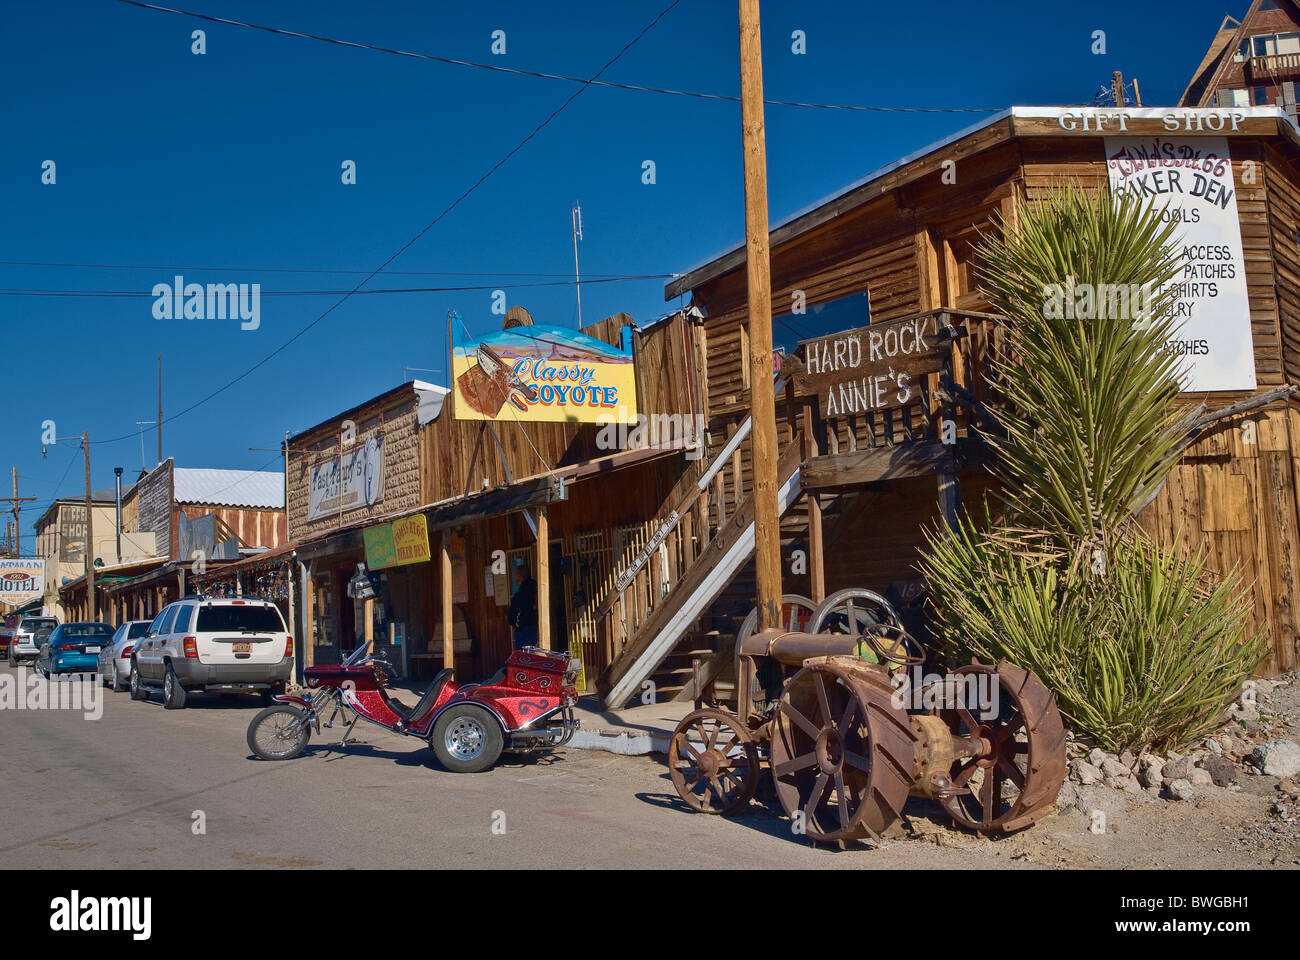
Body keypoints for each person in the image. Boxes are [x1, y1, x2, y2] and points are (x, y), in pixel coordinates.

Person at [507, 565, 538, 649]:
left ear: (521, 576)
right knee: (533, 654)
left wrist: (514, 623)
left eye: (516, 575)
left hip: (523, 629)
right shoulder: (535, 589)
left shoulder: (521, 594)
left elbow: (514, 612)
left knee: (523, 657)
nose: (515, 578)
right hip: (535, 626)